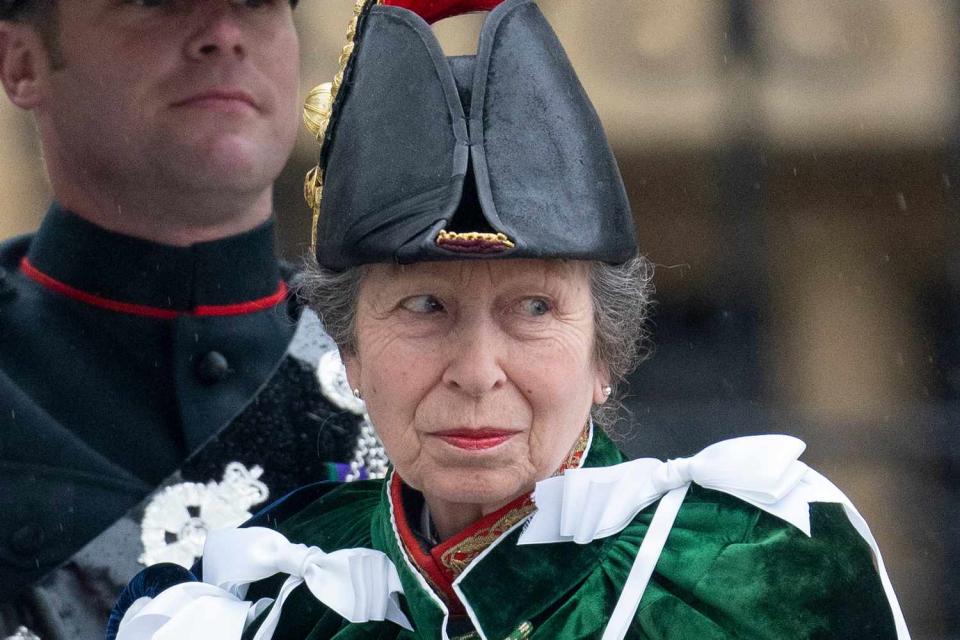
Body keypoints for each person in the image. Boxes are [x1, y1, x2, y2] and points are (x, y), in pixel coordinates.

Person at [108, 0, 909, 638]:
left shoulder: (761, 575)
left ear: (603, 356)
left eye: (532, 308)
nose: (478, 369)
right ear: (349, 353)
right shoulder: (260, 601)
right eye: (425, 306)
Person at [0, 1, 380, 637]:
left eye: (258, 1)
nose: (224, 35)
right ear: (22, 61)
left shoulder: (421, 359)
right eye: (158, 1)